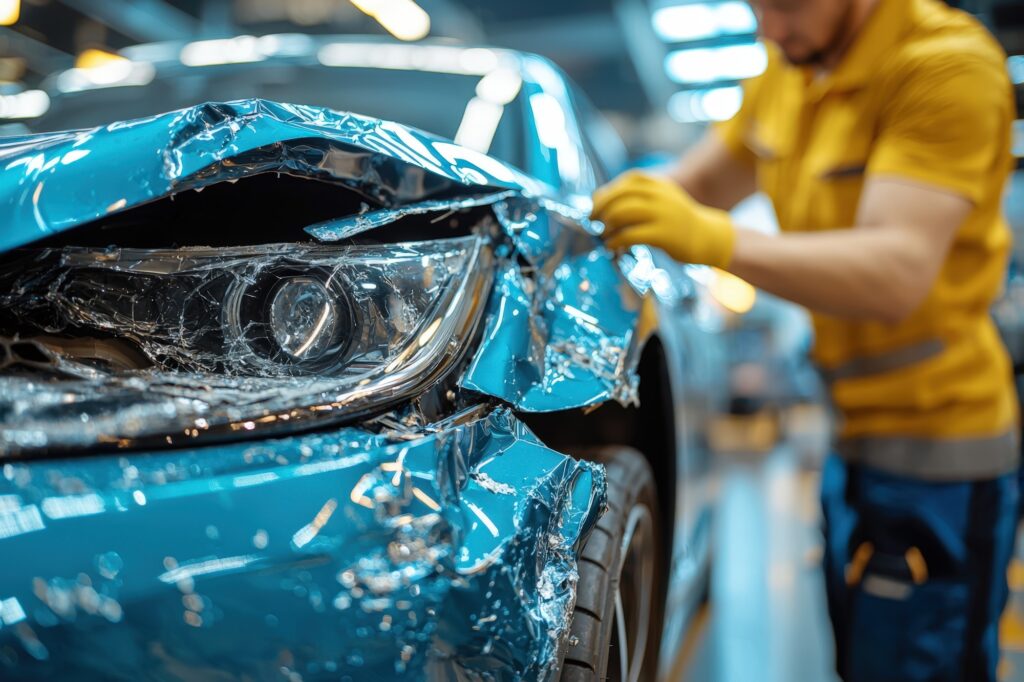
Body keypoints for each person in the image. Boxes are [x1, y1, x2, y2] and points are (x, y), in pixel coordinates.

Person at [591, 0, 1020, 679]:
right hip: (850, 438)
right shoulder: (789, 73)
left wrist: (714, 241)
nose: (768, 26)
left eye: (785, 5)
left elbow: (896, 275)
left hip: (943, 453)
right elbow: (697, 183)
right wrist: (611, 210)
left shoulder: (944, 67)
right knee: (864, 657)